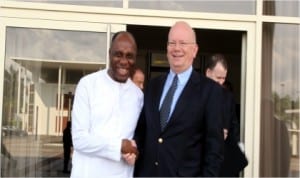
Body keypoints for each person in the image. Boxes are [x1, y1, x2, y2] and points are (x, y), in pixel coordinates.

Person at [134, 21, 224, 177]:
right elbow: (142, 131)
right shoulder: (153, 86)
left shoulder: (210, 92)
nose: (176, 48)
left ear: (194, 50)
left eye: (183, 43)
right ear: (167, 48)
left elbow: (214, 151)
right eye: (172, 43)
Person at [70, 31, 143, 178]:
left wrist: (134, 154)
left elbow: (136, 142)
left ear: (135, 58)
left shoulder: (138, 96)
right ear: (110, 54)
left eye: (129, 56)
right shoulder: (88, 85)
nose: (123, 61)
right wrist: (119, 146)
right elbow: (79, 139)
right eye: (118, 54)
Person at [205, 53, 248, 176]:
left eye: (223, 78)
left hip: (223, 160)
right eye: (218, 77)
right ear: (208, 72)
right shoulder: (194, 94)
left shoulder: (228, 98)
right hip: (200, 160)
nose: (221, 82)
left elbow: (234, 127)